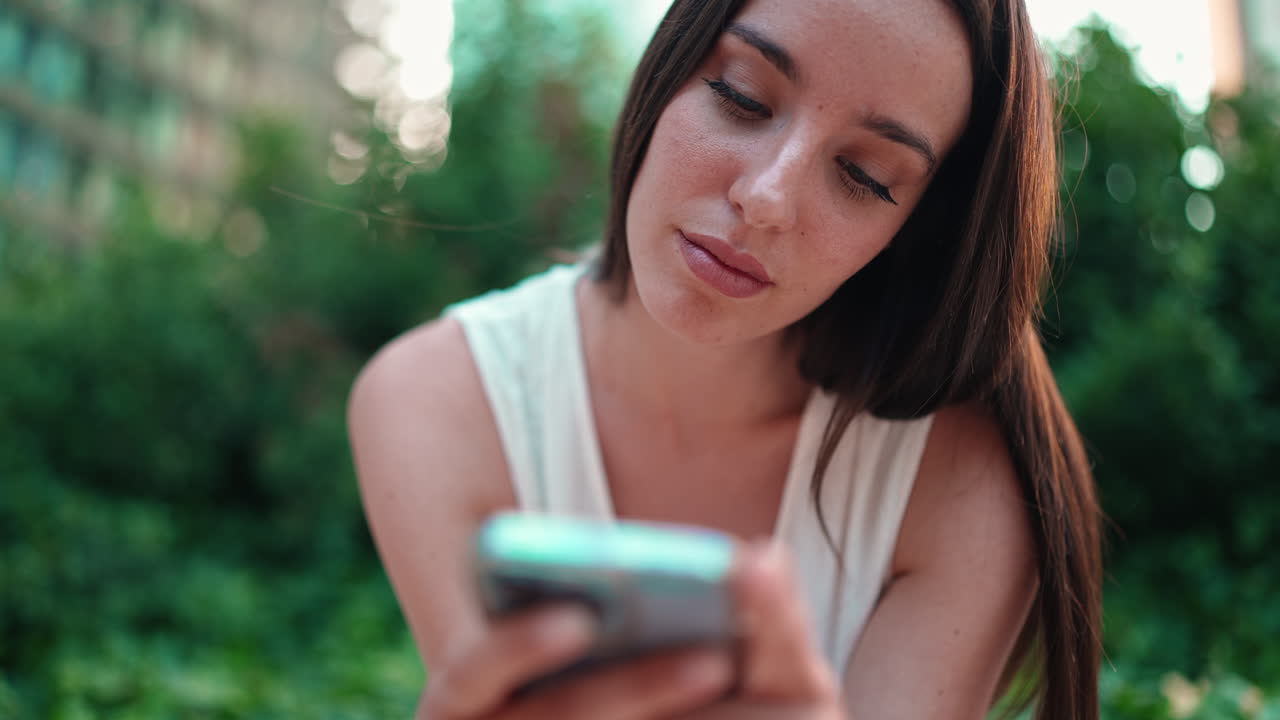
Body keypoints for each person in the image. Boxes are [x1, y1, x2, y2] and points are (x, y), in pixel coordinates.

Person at [347, 0, 1103, 717]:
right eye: (741, 97)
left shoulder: (955, 478)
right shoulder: (433, 404)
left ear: (913, 232)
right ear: (668, 63)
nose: (768, 197)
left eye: (864, 176)